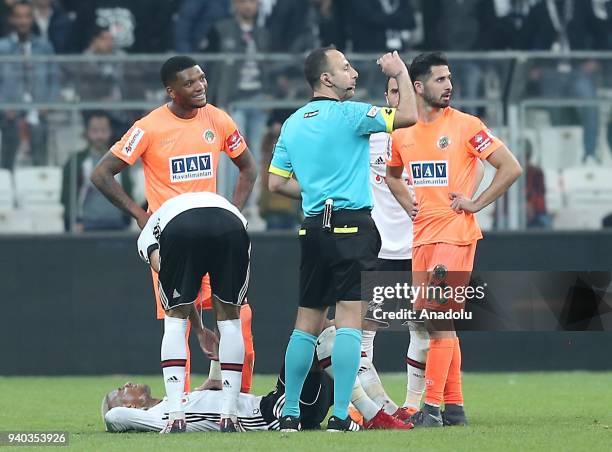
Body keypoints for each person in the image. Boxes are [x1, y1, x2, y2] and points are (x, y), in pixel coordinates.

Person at [90, 56, 258, 404]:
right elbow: (101, 173)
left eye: (202, 79)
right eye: (190, 83)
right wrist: (140, 215)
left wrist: (231, 212)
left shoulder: (218, 118)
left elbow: (248, 168)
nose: (200, 87)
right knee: (178, 321)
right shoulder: (149, 127)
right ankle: (177, 404)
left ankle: (234, 396)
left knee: (238, 314)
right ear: (171, 90)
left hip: (214, 233)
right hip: (172, 239)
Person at [268, 46, 418, 432]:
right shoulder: (353, 115)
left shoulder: (293, 123)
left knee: (306, 323)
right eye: (346, 68)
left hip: (314, 226)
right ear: (326, 79)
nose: (354, 74)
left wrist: (316, 194)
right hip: (352, 224)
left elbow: (275, 184)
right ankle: (339, 416)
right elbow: (410, 116)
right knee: (350, 321)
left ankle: (289, 414)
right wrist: (399, 72)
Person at [386, 52, 522, 427]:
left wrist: (476, 202)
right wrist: (407, 203)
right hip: (422, 237)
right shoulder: (404, 132)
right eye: (440, 79)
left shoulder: (465, 125)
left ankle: (431, 408)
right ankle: (456, 407)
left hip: (455, 235)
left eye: (450, 78)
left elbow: (510, 167)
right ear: (418, 86)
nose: (449, 85)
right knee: (436, 322)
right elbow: (393, 176)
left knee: (436, 315)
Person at [136, 191, 251, 433]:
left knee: (174, 320)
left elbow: (177, 291)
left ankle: (176, 417)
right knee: (231, 321)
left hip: (182, 229)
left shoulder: (147, 235)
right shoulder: (186, 206)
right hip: (233, 224)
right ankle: (229, 417)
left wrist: (193, 324)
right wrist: (200, 329)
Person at [0, 0, 60, 169]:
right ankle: (6, 186)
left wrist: (48, 104)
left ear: (32, 19)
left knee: (40, 148)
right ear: (12, 19)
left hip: (38, 112)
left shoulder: (44, 47)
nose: (23, 21)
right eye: (19, 17)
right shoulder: (2, 48)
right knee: (7, 153)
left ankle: (39, 185)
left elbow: (54, 79)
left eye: (27, 17)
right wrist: (4, 106)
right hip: (8, 115)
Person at [61, 111, 133, 231]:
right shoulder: (76, 161)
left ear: (110, 132)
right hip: (86, 225)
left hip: (117, 225)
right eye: (95, 131)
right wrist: (71, 222)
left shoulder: (121, 159)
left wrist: (127, 219)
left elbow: (128, 192)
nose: (99, 136)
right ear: (87, 133)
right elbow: (67, 196)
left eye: (103, 131)